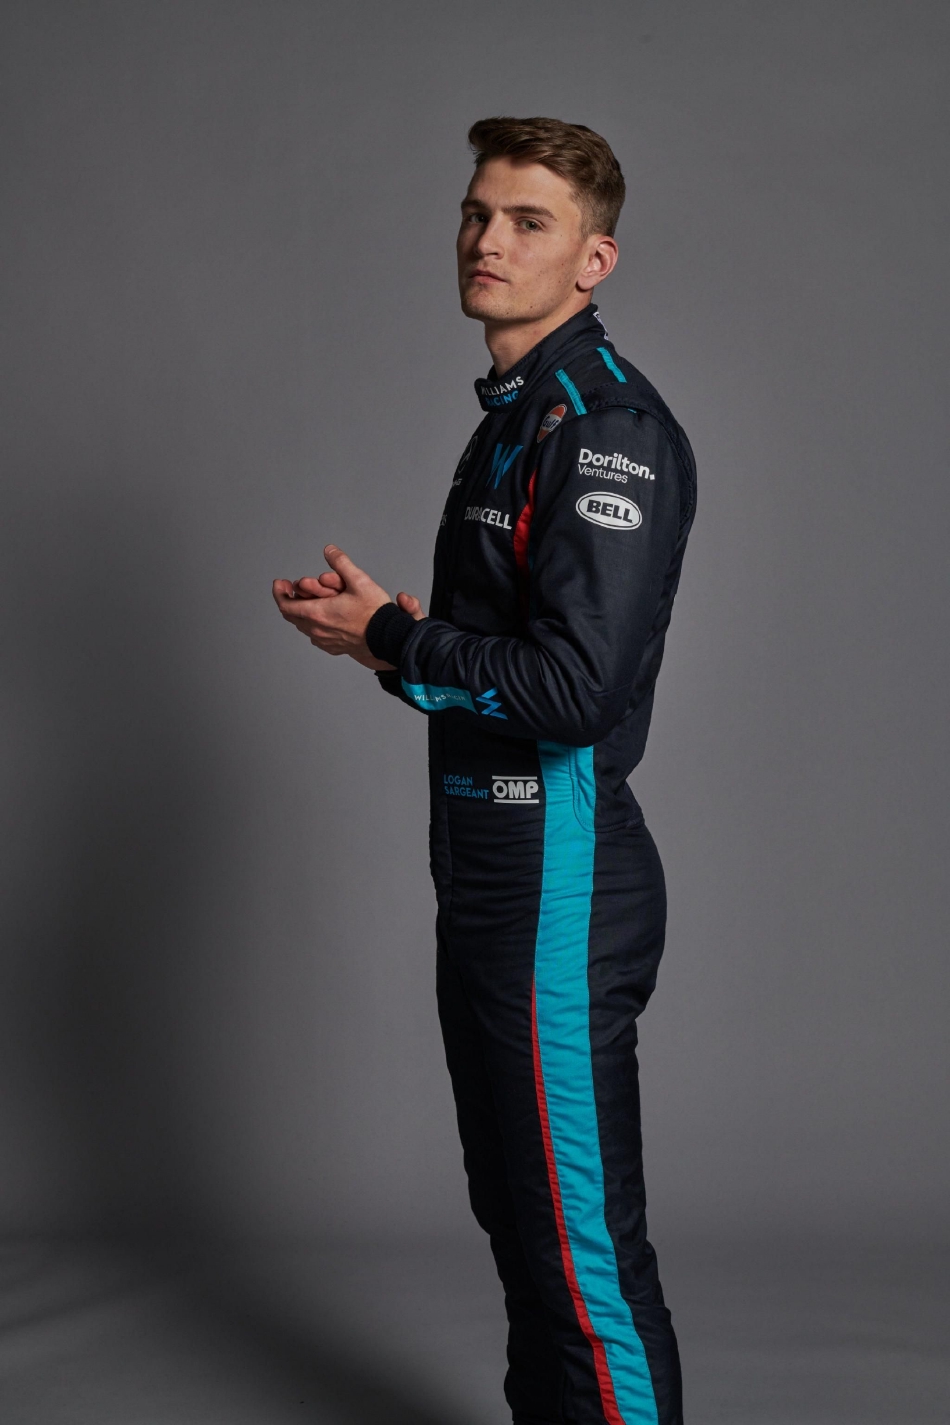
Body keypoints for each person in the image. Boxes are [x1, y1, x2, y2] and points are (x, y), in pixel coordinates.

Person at [273, 116, 696, 1425]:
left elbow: (576, 692)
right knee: (523, 1227)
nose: (486, 240)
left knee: (579, 1260)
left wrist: (401, 638)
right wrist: (382, 645)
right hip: (490, 876)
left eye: (527, 222)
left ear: (592, 260)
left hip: (560, 882)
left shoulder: (605, 424)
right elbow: (502, 663)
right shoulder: (517, 415)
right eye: (475, 213)